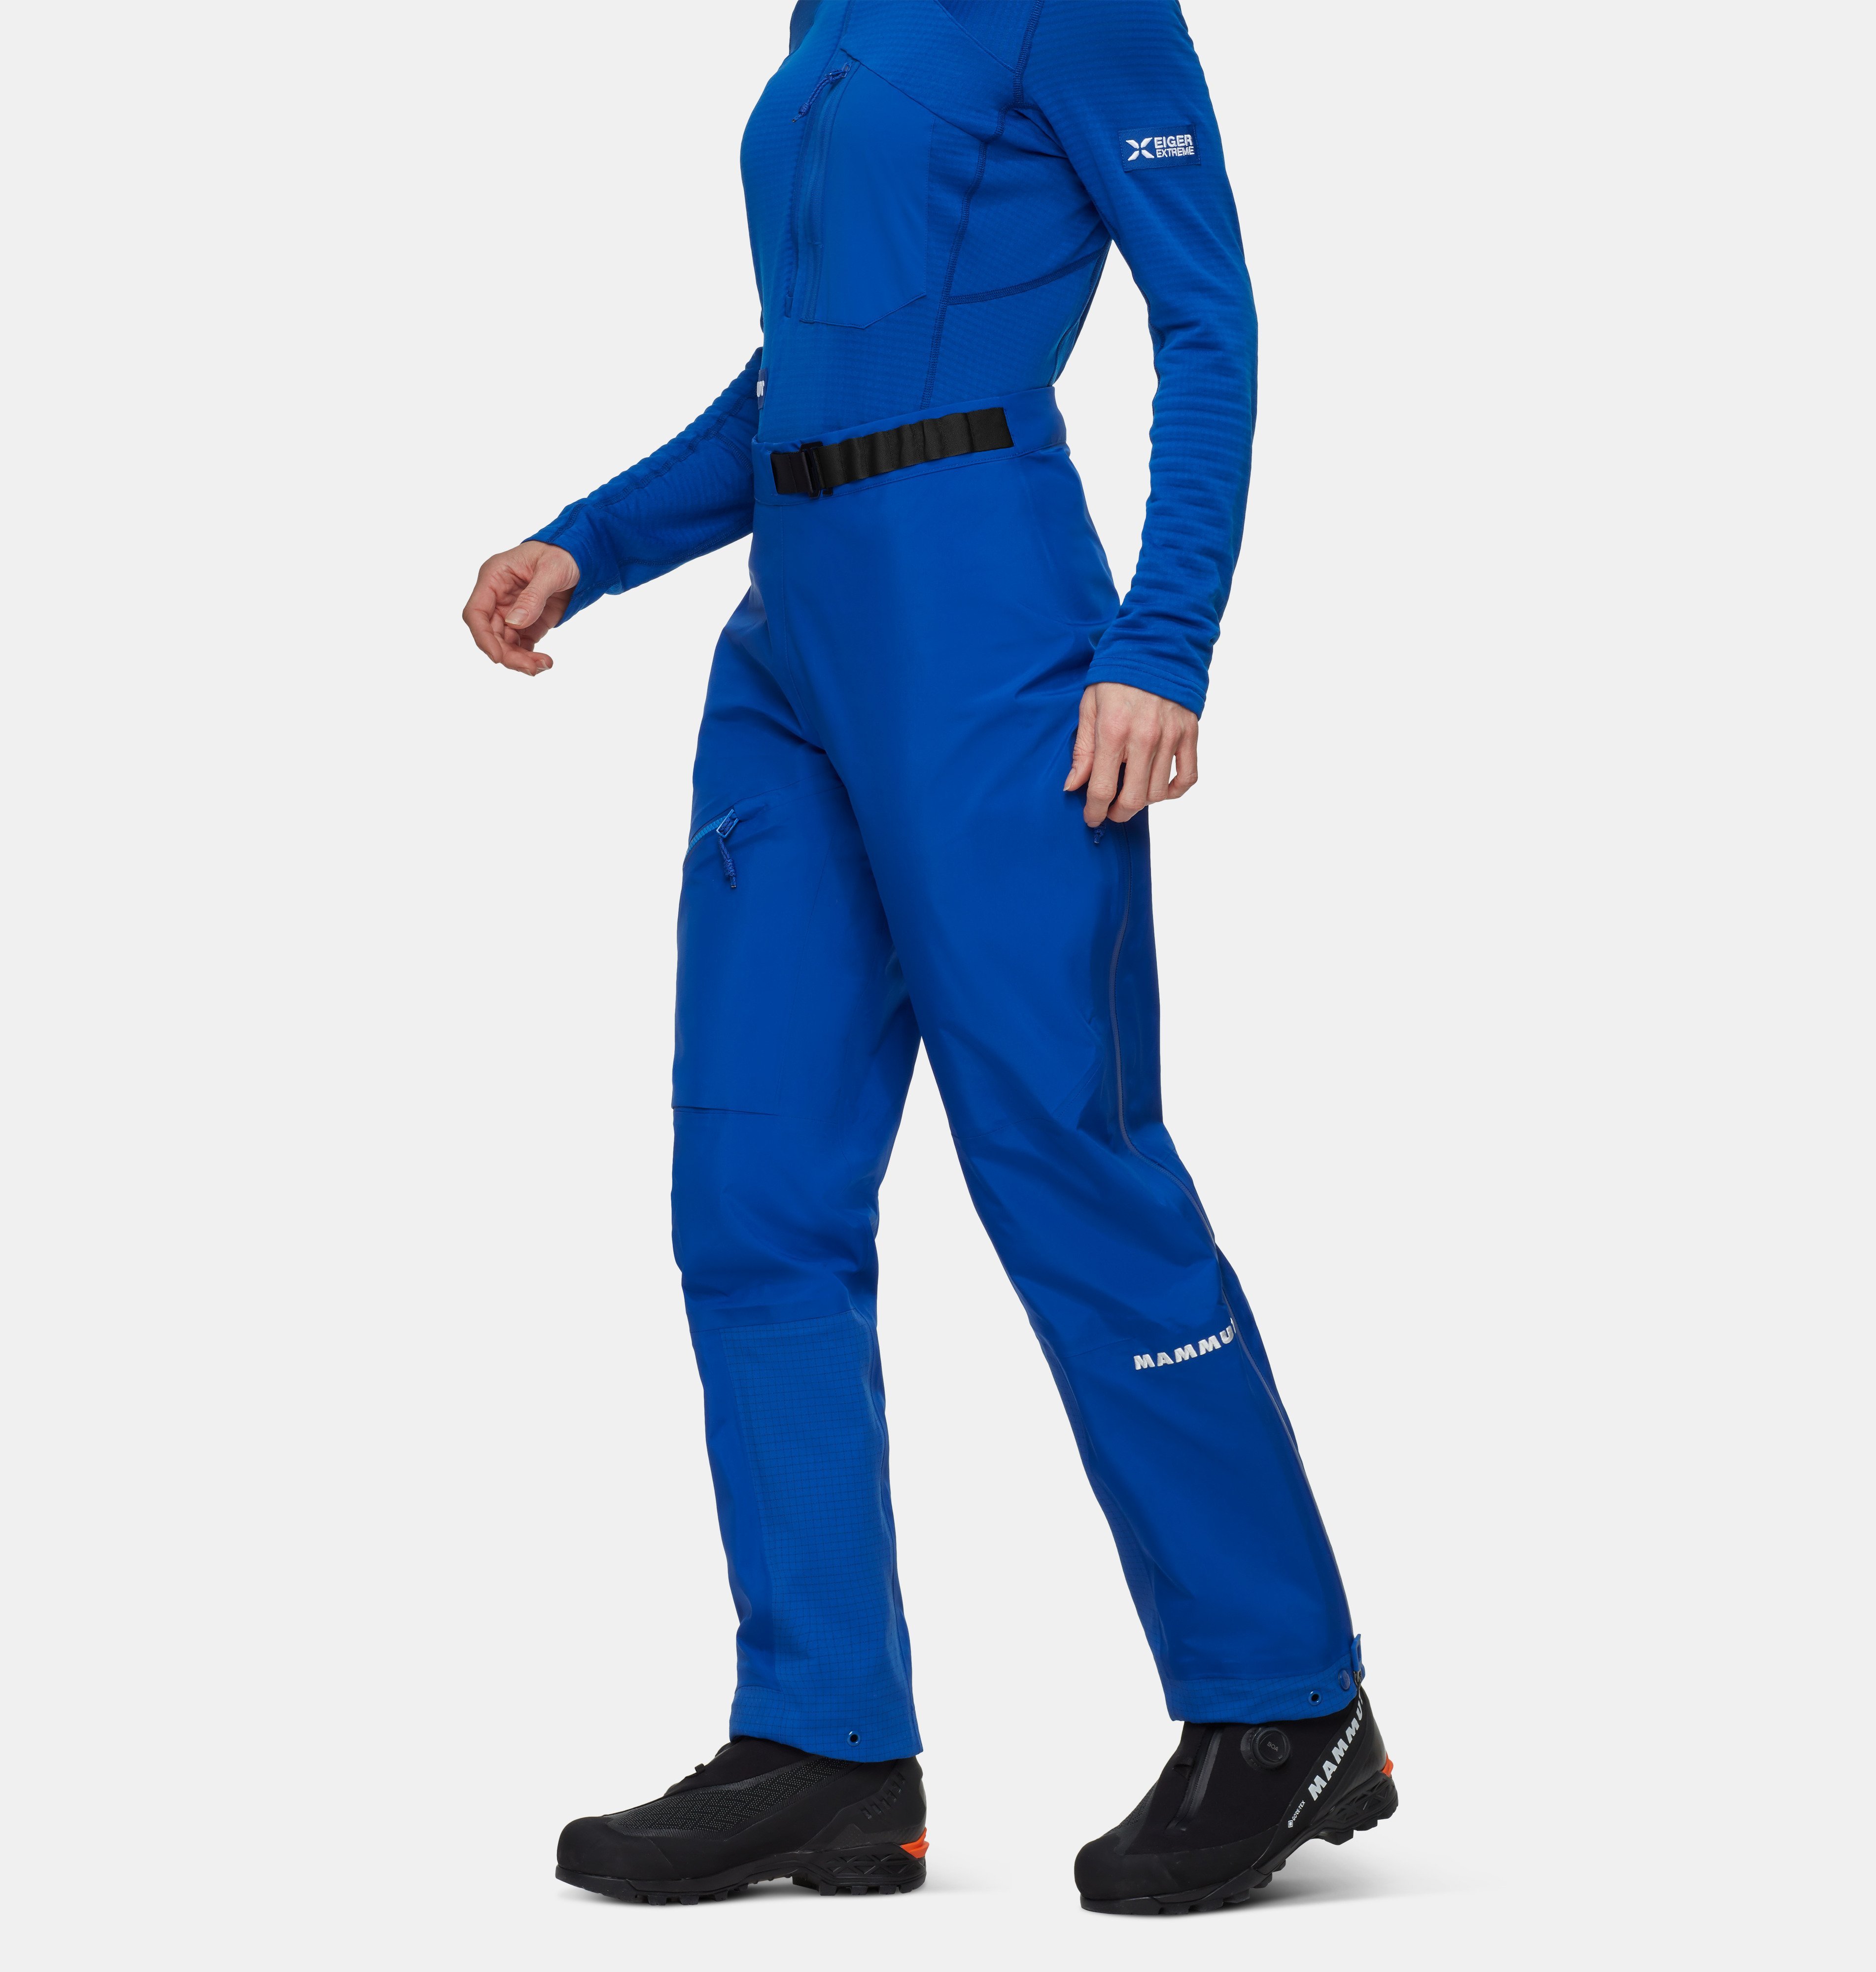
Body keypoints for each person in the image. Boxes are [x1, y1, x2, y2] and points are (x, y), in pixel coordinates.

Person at [462, 0, 1396, 1916]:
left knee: (1067, 1161)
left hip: (990, 633)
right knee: (752, 1194)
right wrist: (594, 540)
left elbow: (1208, 322)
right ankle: (824, 1739)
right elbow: (807, 371)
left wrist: (1164, 641)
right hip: (791, 646)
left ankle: (1286, 1700)